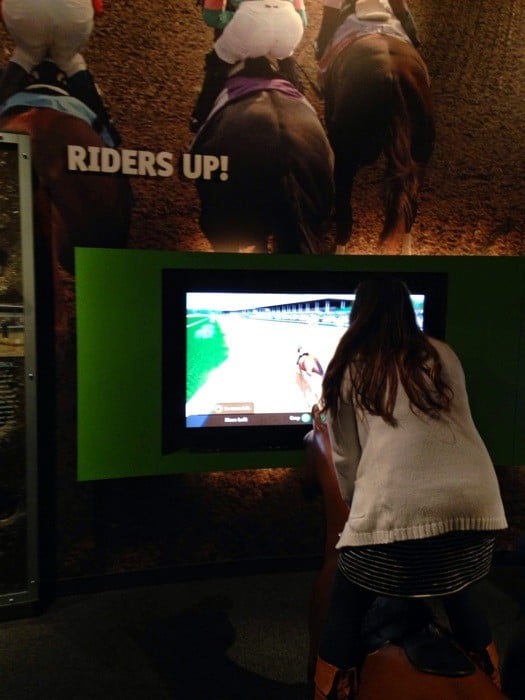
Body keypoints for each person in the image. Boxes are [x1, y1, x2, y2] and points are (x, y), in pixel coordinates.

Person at [311, 274, 508, 699]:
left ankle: (328, 689)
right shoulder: (442, 353)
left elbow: (345, 459)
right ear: (406, 311)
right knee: (457, 590)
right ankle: (493, 678)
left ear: (358, 314)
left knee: (346, 600)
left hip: (398, 528)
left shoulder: (351, 364)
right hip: (480, 517)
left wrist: (360, 516)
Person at [0, 0, 120, 144]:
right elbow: (98, 9)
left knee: (25, 57)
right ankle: (107, 135)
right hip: (71, 21)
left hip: (28, 20)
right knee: (71, 62)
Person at [190, 0, 308, 132]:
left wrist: (234, 18)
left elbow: (212, 18)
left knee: (218, 61)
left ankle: (201, 116)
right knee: (286, 59)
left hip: (249, 23)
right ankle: (301, 97)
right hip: (289, 24)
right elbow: (303, 19)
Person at [315, 0, 421, 63]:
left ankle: (322, 47)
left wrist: (323, 39)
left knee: (330, 17)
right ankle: (413, 37)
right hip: (382, 7)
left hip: (353, 8)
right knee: (402, 11)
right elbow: (398, 5)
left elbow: (331, 8)